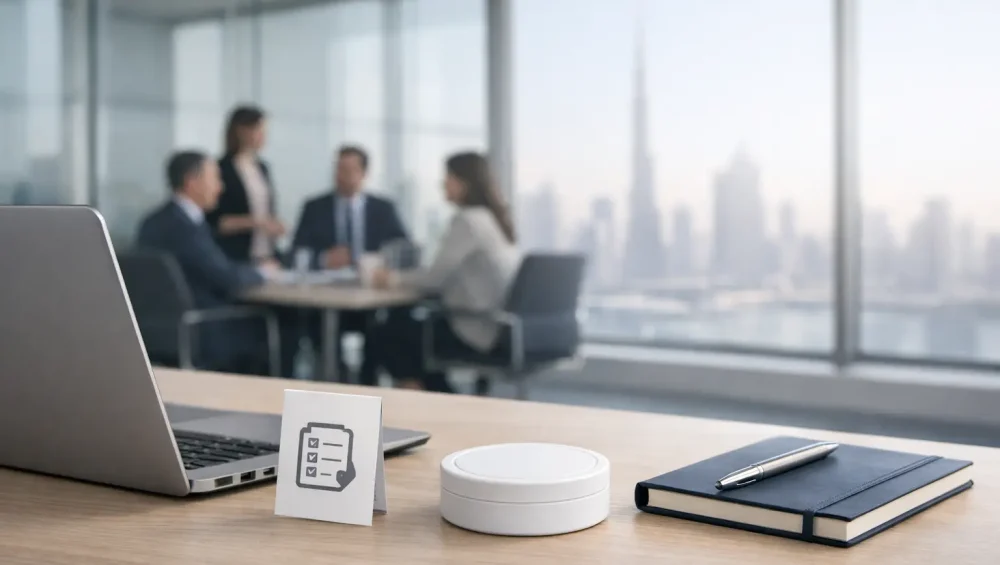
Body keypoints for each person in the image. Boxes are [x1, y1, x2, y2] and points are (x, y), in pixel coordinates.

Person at [370, 152, 521, 392]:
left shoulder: (468, 220)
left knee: (385, 332)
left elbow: (434, 278)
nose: (443, 183)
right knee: (402, 327)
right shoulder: (491, 219)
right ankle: (427, 393)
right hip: (496, 325)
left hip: (475, 327)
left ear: (464, 182)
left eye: (448, 176)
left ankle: (429, 396)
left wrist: (391, 278)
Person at [137, 150, 281, 374]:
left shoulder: (152, 222)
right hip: (202, 326)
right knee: (278, 323)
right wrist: (264, 272)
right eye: (215, 178)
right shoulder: (185, 228)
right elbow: (226, 278)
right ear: (192, 182)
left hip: (156, 330)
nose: (220, 188)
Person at [291, 145, 409, 385]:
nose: (341, 175)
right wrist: (323, 259)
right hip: (323, 300)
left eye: (348, 169)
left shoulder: (383, 209)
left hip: (371, 302)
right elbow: (294, 254)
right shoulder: (315, 207)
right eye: (338, 168)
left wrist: (378, 262)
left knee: (384, 327)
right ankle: (334, 380)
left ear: (363, 173)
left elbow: (403, 250)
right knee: (313, 328)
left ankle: (367, 386)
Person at [208, 105, 285, 264]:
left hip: (266, 255)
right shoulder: (221, 169)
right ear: (242, 131)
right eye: (259, 130)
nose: (264, 137)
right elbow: (215, 221)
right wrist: (256, 222)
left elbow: (266, 210)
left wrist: (273, 224)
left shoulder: (262, 168)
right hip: (235, 255)